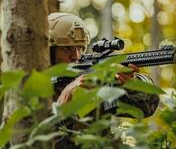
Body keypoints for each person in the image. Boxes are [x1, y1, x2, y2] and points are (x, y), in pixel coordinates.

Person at [48, 12, 159, 148]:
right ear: (50, 51)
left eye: (80, 48)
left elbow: (147, 108)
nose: (76, 55)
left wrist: (132, 83)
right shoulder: (34, 85)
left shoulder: (93, 79)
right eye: (67, 48)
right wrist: (66, 98)